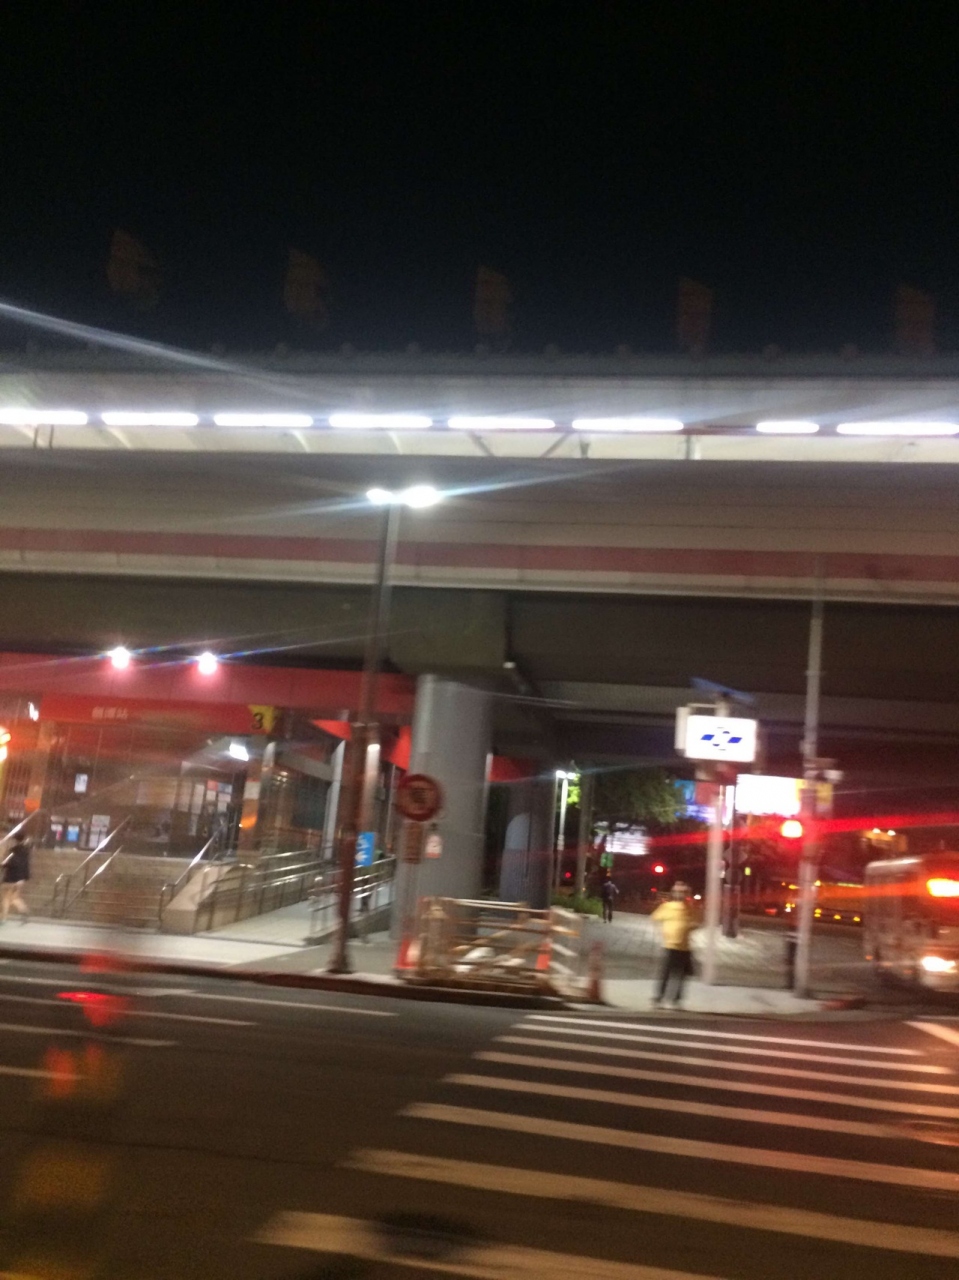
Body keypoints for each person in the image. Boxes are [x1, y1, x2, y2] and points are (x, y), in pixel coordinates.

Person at [650, 880, 697, 1007]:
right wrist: (662, 933)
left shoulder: (690, 908)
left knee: (681, 975)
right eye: (678, 891)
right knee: (666, 973)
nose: (680, 894)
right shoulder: (667, 907)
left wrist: (690, 926)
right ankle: (658, 998)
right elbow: (654, 918)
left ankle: (676, 1000)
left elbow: (697, 922)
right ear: (673, 893)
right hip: (670, 946)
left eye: (683, 892)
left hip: (685, 947)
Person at [1, 836, 31, 924]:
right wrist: (24, 878)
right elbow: (25, 866)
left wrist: (3, 864)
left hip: (10, 878)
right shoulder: (25, 853)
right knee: (14, 898)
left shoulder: (13, 852)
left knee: (5, 898)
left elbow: (9, 863)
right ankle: (24, 910)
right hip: (20, 879)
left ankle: (4, 918)